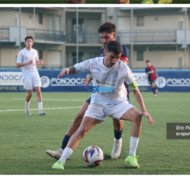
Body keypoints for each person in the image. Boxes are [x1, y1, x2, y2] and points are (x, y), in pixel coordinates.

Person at [52, 40, 153, 170]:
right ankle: (61, 161)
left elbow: (135, 90)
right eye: (112, 57)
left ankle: (131, 157)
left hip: (118, 103)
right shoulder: (94, 63)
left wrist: (144, 110)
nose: (114, 61)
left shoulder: (123, 68)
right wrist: (67, 69)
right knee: (82, 130)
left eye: (117, 58)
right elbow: (76, 68)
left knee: (138, 116)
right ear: (105, 52)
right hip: (98, 102)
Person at [46, 22, 130, 160]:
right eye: (101, 37)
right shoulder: (101, 51)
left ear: (114, 35)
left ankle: (117, 144)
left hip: (117, 91)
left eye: (106, 37)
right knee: (79, 116)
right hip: (101, 91)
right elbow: (99, 67)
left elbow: (119, 67)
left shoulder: (123, 49)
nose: (103, 40)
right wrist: (90, 76)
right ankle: (62, 149)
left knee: (117, 119)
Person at [17, 36, 45, 116]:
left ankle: (40, 110)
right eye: (27, 41)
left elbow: (35, 62)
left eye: (30, 41)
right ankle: (26, 107)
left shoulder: (35, 51)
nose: (29, 43)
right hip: (26, 74)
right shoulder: (21, 52)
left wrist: (39, 63)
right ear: (25, 43)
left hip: (35, 73)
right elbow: (18, 64)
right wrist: (27, 63)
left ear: (32, 43)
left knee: (38, 91)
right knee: (30, 94)